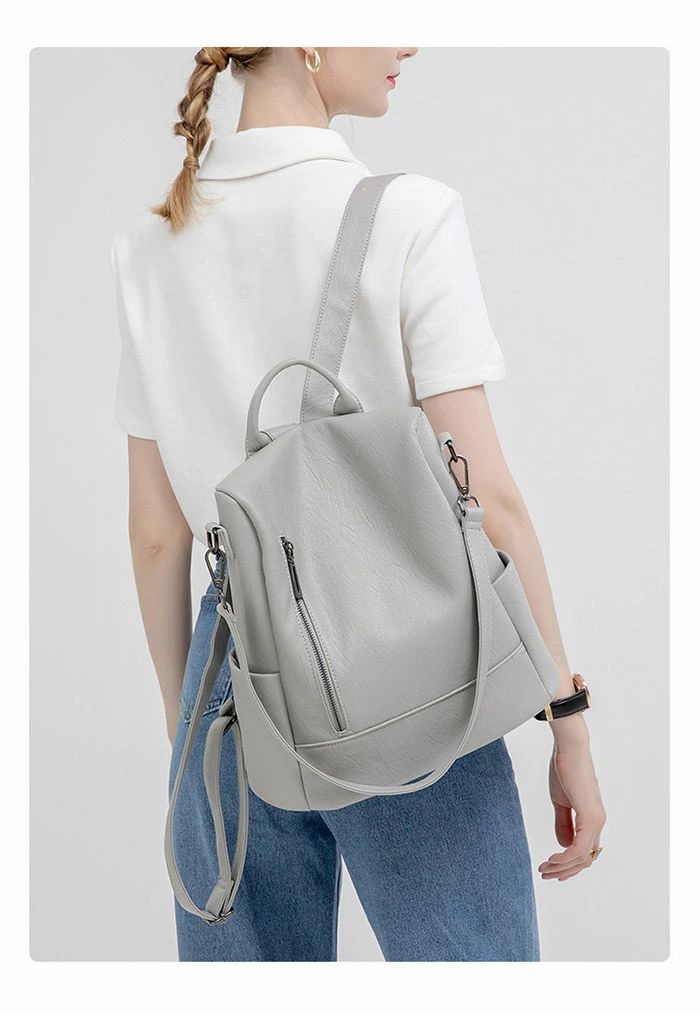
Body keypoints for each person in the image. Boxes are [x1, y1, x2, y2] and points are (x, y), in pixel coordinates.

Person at [111, 46, 606, 962]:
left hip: (230, 673)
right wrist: (564, 717)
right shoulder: (410, 216)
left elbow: (156, 532)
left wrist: (196, 742)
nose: (407, 41)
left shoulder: (149, 244)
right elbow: (490, 500)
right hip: (404, 655)